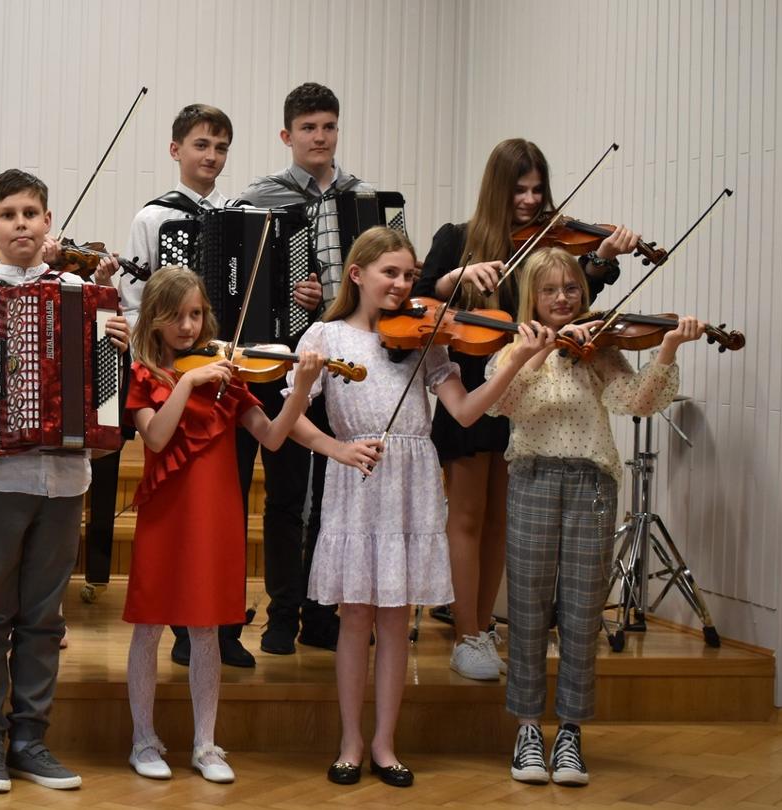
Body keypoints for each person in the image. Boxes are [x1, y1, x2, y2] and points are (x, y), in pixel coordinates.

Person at [290, 227, 551, 788]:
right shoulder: (326, 333)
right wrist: (337, 446)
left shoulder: (427, 339)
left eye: (410, 275)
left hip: (410, 480)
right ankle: (350, 740)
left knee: (395, 617)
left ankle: (385, 742)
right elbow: (294, 415)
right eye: (391, 272)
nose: (404, 284)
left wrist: (513, 362)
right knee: (356, 615)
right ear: (357, 274)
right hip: (357, 478)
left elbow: (463, 411)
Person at [0, 169, 128, 793]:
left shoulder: (84, 295)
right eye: (7, 214)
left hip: (66, 480)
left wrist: (118, 345)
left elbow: (108, 389)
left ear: (48, 222)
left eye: (31, 213)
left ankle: (30, 739)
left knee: (45, 619)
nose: (20, 224)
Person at [417, 138, 639, 681]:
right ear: (498, 188)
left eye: (538, 188)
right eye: (519, 189)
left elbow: (565, 297)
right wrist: (456, 279)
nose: (530, 199)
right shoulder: (458, 240)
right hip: (473, 385)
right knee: (466, 517)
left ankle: (484, 627)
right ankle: (465, 633)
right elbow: (420, 303)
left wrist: (601, 261)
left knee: (500, 520)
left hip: (529, 395)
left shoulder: (545, 244)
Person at [491, 248, 692, 788]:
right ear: (531, 296)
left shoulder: (601, 351)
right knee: (528, 606)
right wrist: (533, 353)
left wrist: (667, 348)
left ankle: (572, 731)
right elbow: (501, 402)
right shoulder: (512, 348)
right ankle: (529, 729)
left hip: (592, 483)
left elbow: (639, 401)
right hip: (532, 478)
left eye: (572, 290)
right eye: (551, 290)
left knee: (582, 609)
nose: (562, 300)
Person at [121, 266, 320, 782]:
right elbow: (159, 438)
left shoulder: (228, 379)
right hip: (166, 514)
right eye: (177, 316)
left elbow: (274, 437)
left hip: (215, 516)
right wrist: (188, 381)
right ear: (155, 319)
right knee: (148, 628)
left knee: (206, 629)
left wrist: (300, 388)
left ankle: (206, 744)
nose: (189, 326)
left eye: (196, 314)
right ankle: (143, 740)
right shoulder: (146, 374)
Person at [235, 82, 382, 657]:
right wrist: (283, 293)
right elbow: (239, 284)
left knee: (336, 497)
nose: (320, 138)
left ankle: (324, 612)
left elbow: (387, 279)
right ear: (287, 136)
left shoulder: (366, 199)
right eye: (308, 129)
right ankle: (282, 613)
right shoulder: (260, 197)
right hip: (283, 362)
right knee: (287, 494)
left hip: (349, 365)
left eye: (328, 127)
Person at [102, 102, 242, 668]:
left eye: (221, 148)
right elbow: (139, 303)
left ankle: (216, 626)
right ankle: (184, 629)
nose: (211, 157)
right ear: (176, 150)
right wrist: (160, 370)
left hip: (227, 372)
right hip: (170, 375)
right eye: (202, 145)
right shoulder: (154, 217)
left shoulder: (241, 214)